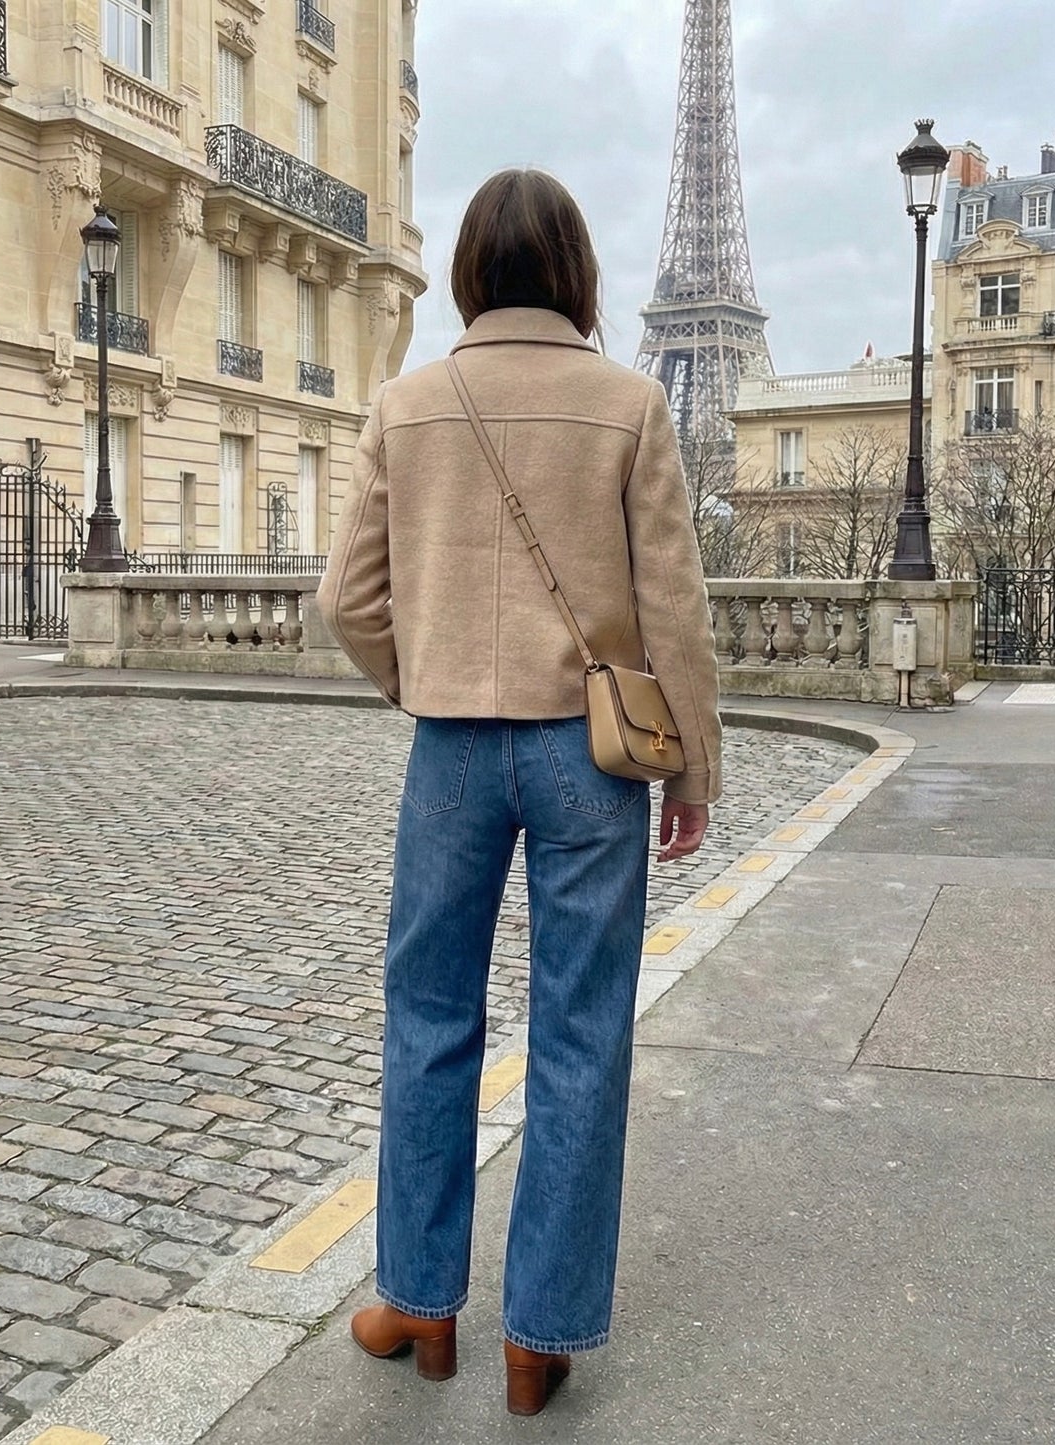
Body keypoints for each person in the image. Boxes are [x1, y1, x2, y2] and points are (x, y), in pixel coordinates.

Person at [315, 167, 722, 1416]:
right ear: (577, 272)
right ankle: (536, 1338)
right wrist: (692, 762)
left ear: (470, 273)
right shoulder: (627, 400)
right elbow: (674, 610)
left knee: (425, 1016)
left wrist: (417, 679)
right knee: (580, 1031)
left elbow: (343, 599)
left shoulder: (409, 401)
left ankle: (419, 1302)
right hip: (587, 755)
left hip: (449, 742)